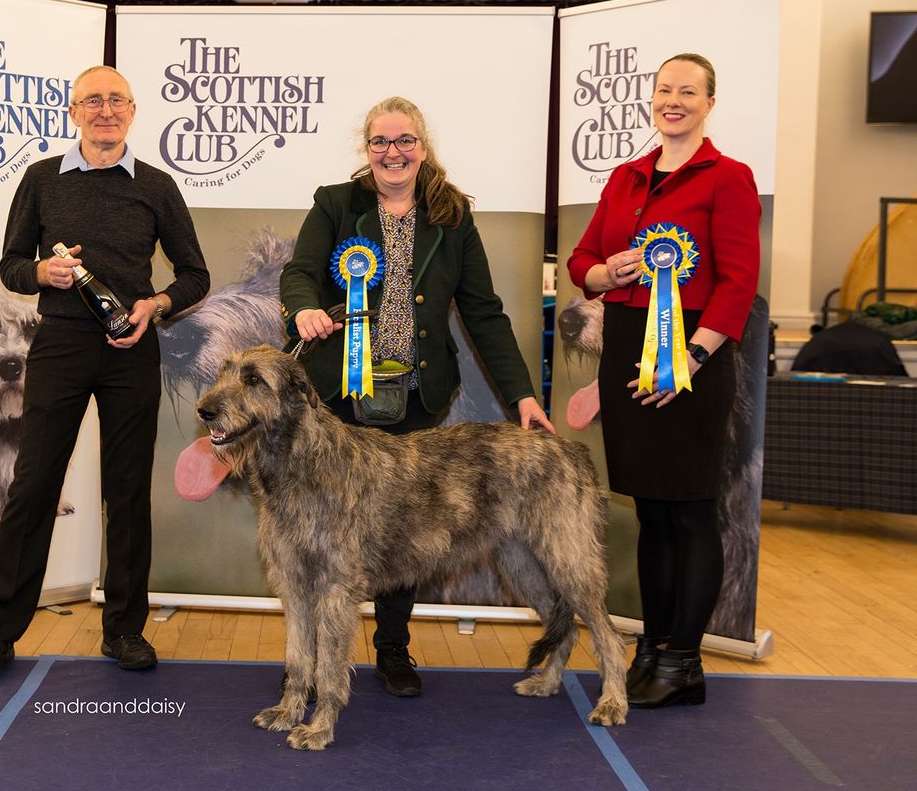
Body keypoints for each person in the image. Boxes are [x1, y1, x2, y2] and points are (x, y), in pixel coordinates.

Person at [279, 96, 553, 697]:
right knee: (315, 532)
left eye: (404, 141)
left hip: (420, 394)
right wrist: (302, 308)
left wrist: (522, 396)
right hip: (340, 399)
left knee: (401, 528)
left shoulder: (452, 216)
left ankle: (393, 649)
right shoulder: (336, 203)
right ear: (366, 149)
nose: (392, 152)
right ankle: (315, 658)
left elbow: (483, 312)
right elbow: (299, 271)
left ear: (422, 149)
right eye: (380, 141)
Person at [0, 66, 210, 678]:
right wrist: (41, 274)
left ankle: (125, 631)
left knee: (126, 493)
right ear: (73, 112)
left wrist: (157, 306)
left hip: (132, 351)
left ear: (133, 111)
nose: (105, 110)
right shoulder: (42, 180)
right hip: (62, 347)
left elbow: (195, 275)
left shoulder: (156, 186)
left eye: (116, 100)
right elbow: (12, 264)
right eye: (92, 101)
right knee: (34, 485)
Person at [566, 54, 760, 708]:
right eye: (663, 91)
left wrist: (692, 362)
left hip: (694, 357)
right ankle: (653, 645)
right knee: (651, 510)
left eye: (687, 91)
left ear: (709, 102)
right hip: (626, 352)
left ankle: (684, 661)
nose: (672, 101)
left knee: (691, 510)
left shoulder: (728, 177)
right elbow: (582, 262)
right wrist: (607, 274)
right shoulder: (625, 178)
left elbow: (739, 284)